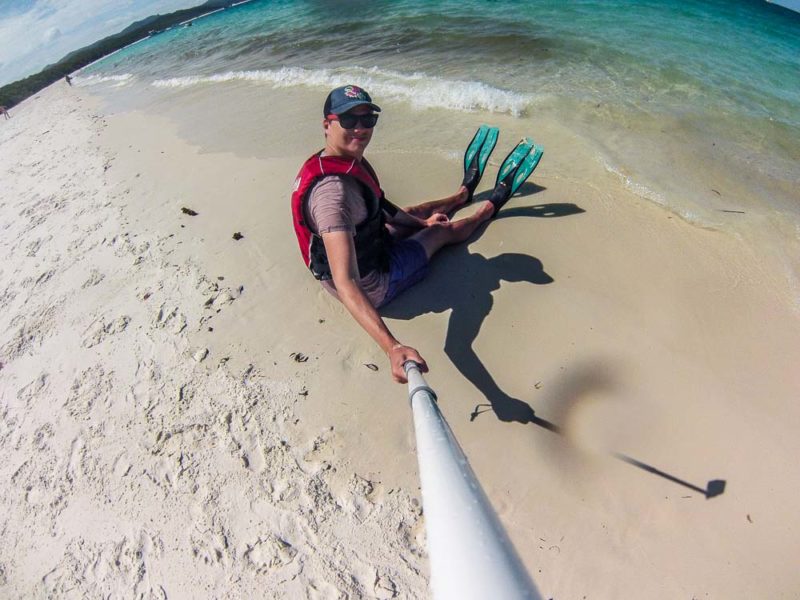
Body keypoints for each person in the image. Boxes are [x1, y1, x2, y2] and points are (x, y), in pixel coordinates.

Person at [291, 85, 501, 383]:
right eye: (349, 121)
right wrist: (392, 347)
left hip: (365, 246)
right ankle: (488, 210)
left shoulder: (338, 160)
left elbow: (382, 206)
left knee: (416, 213)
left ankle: (460, 197)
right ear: (327, 124)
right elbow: (347, 281)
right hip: (372, 285)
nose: (360, 129)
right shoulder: (332, 197)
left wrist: (421, 222)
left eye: (368, 119)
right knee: (440, 233)